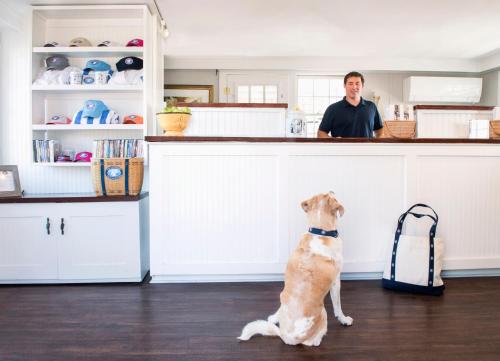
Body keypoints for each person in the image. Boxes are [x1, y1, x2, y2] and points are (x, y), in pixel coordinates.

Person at [317, 71, 384, 138]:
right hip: (341, 149)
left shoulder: (371, 107)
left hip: (367, 148)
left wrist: (376, 144)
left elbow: (380, 130)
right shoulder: (332, 109)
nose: (354, 87)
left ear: (362, 86)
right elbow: (321, 133)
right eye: (350, 83)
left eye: (357, 84)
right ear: (344, 85)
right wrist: (334, 141)